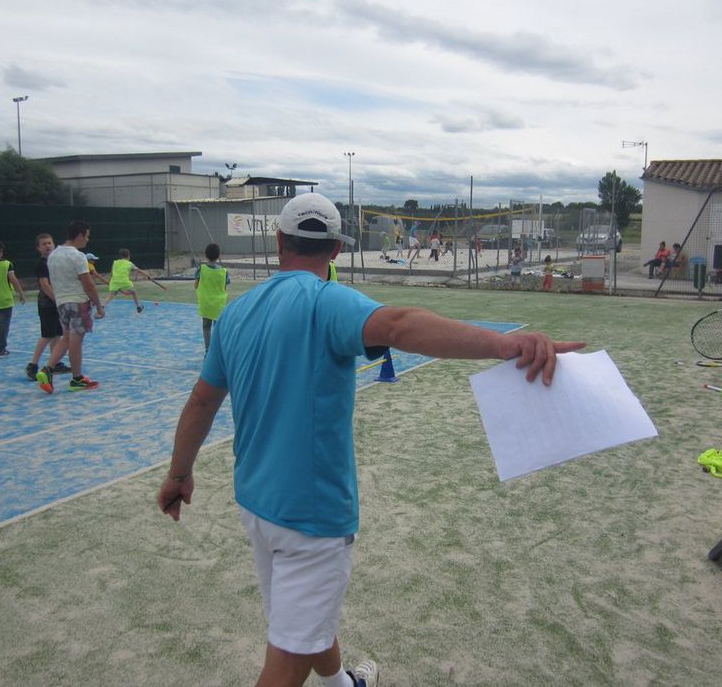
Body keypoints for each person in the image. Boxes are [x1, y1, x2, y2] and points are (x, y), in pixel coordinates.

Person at [156, 193, 584, 687]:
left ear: (279, 241)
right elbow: (400, 325)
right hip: (310, 516)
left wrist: (179, 475)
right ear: (336, 249)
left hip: (256, 505)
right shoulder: (326, 301)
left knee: (305, 621)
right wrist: (508, 345)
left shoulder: (236, 313)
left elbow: (201, 404)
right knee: (290, 651)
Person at [35, 221, 105, 393]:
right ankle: (77, 378)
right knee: (76, 340)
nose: (87, 240)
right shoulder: (78, 256)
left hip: (61, 302)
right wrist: (98, 305)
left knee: (66, 338)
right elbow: (88, 284)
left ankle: (47, 369)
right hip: (78, 301)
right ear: (80, 236)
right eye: (86, 236)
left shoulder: (54, 255)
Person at [26, 233, 71, 381]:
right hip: (47, 304)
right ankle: (33, 365)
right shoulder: (42, 264)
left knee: (57, 334)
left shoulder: (55, 262)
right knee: (47, 335)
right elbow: (45, 285)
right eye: (43, 244)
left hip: (56, 302)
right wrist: (58, 301)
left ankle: (55, 363)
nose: (47, 246)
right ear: (38, 248)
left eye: (49, 243)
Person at [195, 243, 230, 353]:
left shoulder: (202, 269)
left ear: (205, 255)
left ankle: (208, 351)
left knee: (206, 327)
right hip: (219, 305)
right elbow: (224, 287)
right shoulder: (224, 272)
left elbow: (196, 285)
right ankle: (218, 351)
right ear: (218, 256)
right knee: (218, 328)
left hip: (206, 304)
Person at [104, 248, 149, 312]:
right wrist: (148, 276)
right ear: (128, 256)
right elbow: (139, 270)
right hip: (124, 281)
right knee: (134, 292)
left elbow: (112, 273)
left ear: (120, 256)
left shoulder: (115, 262)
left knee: (109, 296)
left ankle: (102, 307)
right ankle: (138, 306)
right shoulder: (129, 263)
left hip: (114, 281)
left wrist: (110, 282)